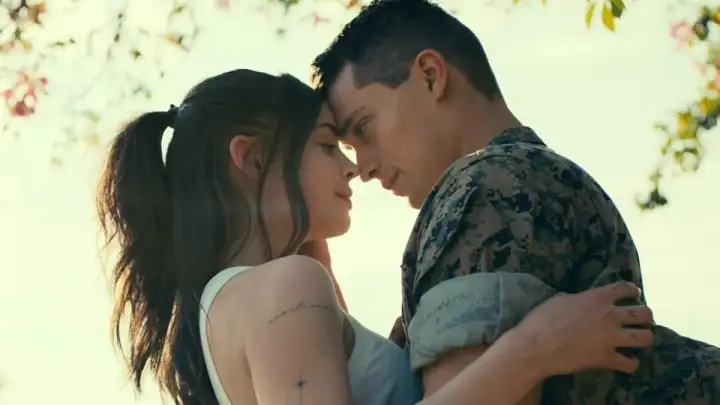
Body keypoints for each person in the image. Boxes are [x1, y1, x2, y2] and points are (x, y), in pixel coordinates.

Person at [97, 69, 653, 405]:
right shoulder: (285, 287)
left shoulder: (226, 305)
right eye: (326, 145)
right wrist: (538, 348)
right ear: (252, 158)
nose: (351, 167)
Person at [310, 0, 720, 404]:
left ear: (431, 76)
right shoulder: (537, 176)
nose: (363, 167)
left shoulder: (484, 189)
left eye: (365, 127)